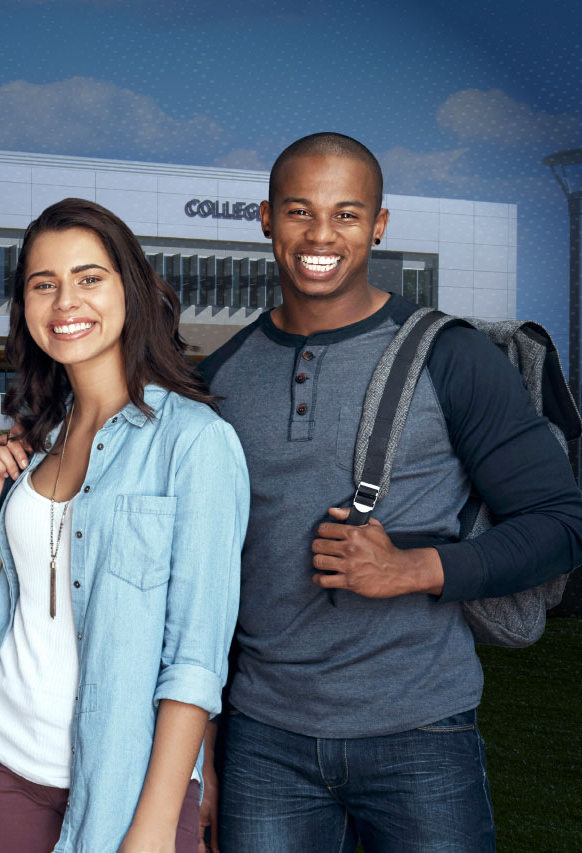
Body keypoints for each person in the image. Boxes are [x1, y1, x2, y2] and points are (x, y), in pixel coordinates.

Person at [198, 133, 582, 853]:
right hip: (263, 743)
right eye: (298, 211)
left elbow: (563, 522)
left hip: (421, 734)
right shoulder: (221, 376)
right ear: (264, 218)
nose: (320, 234)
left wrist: (416, 568)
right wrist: (207, 748)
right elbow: (204, 581)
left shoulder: (451, 355)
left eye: (346, 214)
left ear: (378, 224)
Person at [0, 198, 247, 853]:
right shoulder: (43, 435)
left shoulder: (196, 442)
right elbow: (39, 594)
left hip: (128, 785)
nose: (64, 300)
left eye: (88, 278)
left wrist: (157, 824)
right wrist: (4, 502)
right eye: (43, 284)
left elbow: (195, 657)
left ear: (130, 288)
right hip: (6, 760)